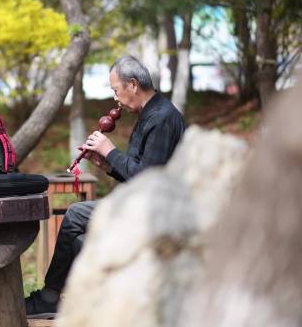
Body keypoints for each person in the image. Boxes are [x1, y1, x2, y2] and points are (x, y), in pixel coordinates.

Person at [25, 55, 186, 318]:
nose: (115, 98)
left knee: (76, 214)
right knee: (79, 240)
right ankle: (71, 300)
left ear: (132, 85)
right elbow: (136, 175)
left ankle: (50, 298)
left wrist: (110, 151)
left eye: (115, 90)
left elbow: (149, 179)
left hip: (158, 213)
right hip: (143, 205)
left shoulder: (163, 118)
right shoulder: (149, 114)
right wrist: (107, 164)